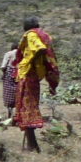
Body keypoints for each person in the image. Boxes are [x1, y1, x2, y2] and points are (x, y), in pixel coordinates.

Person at [14, 18, 59, 154]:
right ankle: (31, 145)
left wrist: (29, 60)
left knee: (26, 108)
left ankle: (32, 146)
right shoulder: (43, 35)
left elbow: (39, 48)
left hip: (28, 74)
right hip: (33, 76)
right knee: (28, 107)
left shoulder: (31, 35)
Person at [0, 46, 20, 124]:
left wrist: (4, 74)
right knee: (18, 94)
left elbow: (3, 66)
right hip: (20, 74)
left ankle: (9, 116)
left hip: (9, 74)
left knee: (9, 95)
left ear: (11, 48)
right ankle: (17, 116)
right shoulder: (22, 54)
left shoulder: (8, 54)